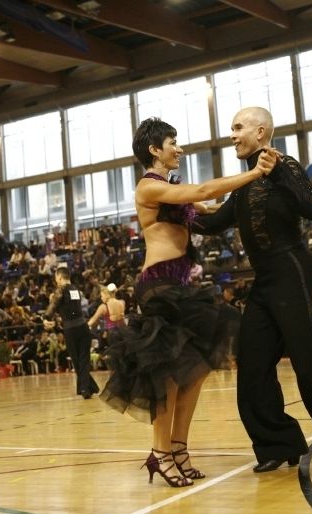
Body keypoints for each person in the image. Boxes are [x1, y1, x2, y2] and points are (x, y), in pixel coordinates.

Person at [100, 117, 277, 488]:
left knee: (192, 373)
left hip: (178, 285)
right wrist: (253, 173)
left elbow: (213, 207)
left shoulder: (168, 187)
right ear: (154, 150)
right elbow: (203, 192)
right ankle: (161, 452)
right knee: (168, 377)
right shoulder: (149, 187)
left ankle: (178, 448)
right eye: (172, 142)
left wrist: (256, 190)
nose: (178, 148)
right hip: (159, 285)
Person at [192, 107, 312, 471]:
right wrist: (177, 208)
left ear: (261, 133)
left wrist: (279, 176)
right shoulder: (244, 184)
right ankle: (278, 444)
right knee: (253, 363)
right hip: (264, 281)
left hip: (292, 270)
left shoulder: (284, 165)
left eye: (238, 127)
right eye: (231, 128)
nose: (232, 134)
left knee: (309, 362)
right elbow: (213, 222)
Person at [44, 267, 99, 399]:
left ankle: (85, 389)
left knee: (77, 361)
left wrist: (46, 317)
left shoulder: (61, 289)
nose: (55, 280)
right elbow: (69, 307)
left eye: (56, 277)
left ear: (60, 277)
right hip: (83, 327)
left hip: (71, 329)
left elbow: (54, 304)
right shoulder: (76, 289)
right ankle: (89, 387)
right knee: (83, 360)